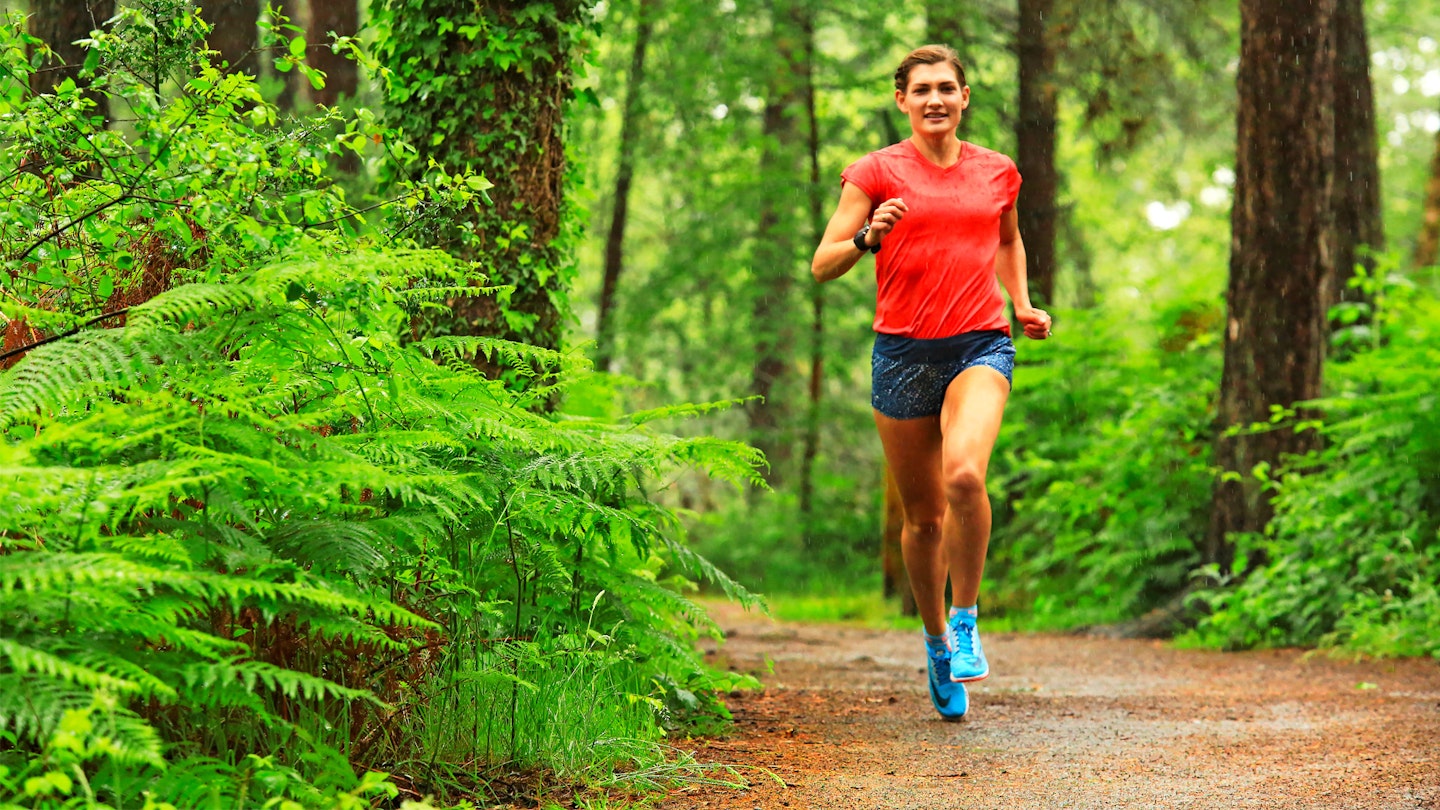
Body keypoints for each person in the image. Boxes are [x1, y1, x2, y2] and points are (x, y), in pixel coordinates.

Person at [810, 45, 1051, 721]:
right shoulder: (875, 172)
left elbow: (1006, 240)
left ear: (965, 97)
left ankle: (968, 616)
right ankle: (936, 639)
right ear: (903, 101)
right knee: (922, 520)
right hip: (902, 353)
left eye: (947, 88)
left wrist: (1022, 302)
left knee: (965, 478)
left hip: (980, 341)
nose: (935, 99)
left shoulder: (998, 172)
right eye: (922, 90)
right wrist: (867, 237)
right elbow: (821, 264)